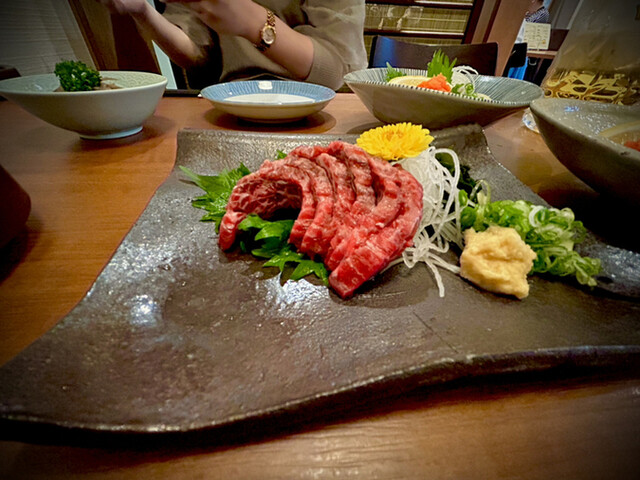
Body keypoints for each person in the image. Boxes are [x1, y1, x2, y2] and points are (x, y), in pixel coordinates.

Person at [97, 0, 368, 90]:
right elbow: (199, 55)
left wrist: (254, 22)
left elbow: (338, 71)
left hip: (322, 109)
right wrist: (143, 12)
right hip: (229, 101)